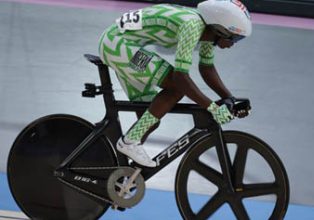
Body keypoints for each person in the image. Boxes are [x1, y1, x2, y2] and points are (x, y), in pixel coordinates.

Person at [98, 0, 252, 167]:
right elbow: (180, 78)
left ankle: (119, 173)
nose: (233, 44)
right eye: (235, 38)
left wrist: (230, 99)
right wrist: (213, 108)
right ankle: (129, 141)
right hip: (116, 45)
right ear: (221, 29)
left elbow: (207, 68)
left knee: (150, 117)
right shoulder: (192, 25)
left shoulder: (208, 32)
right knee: (176, 88)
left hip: (121, 43)